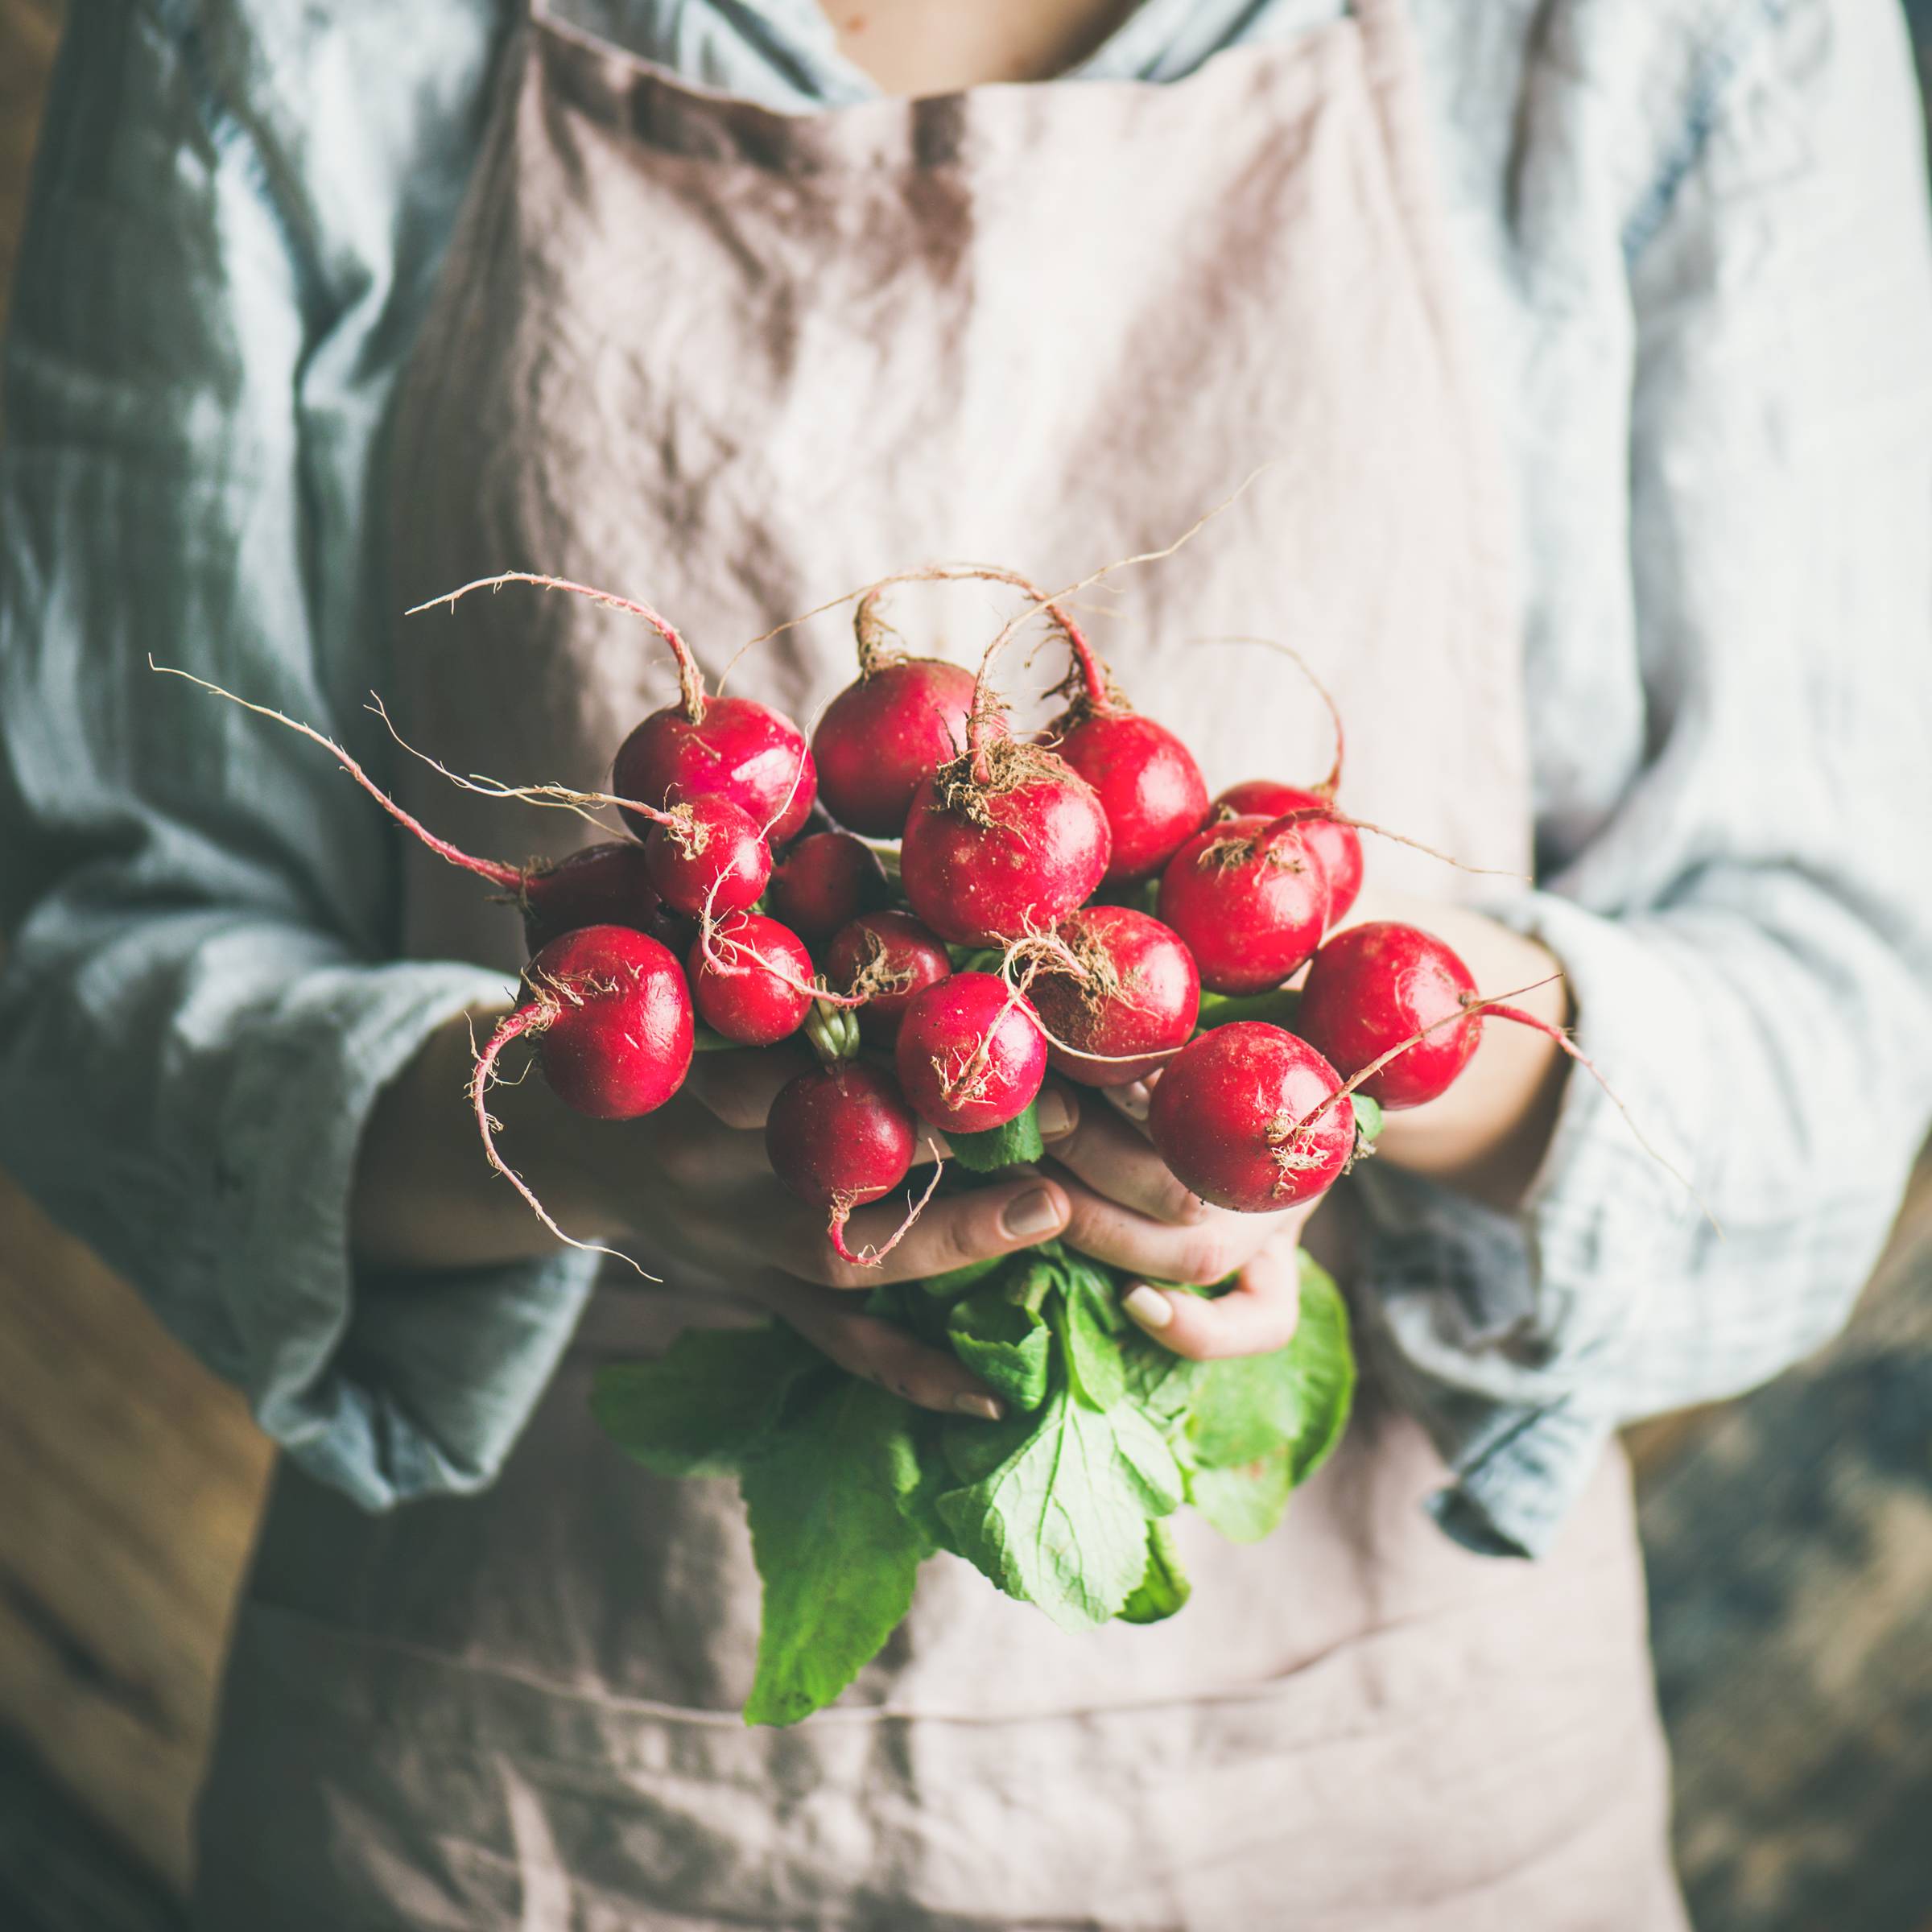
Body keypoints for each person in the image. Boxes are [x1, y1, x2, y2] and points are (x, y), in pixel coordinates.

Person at [3, 0, 1930, 1924]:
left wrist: (1362, 1079)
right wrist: (573, 1130)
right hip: (524, 1824)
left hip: (1392, 1816)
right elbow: (72, 960)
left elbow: (1843, 1006)